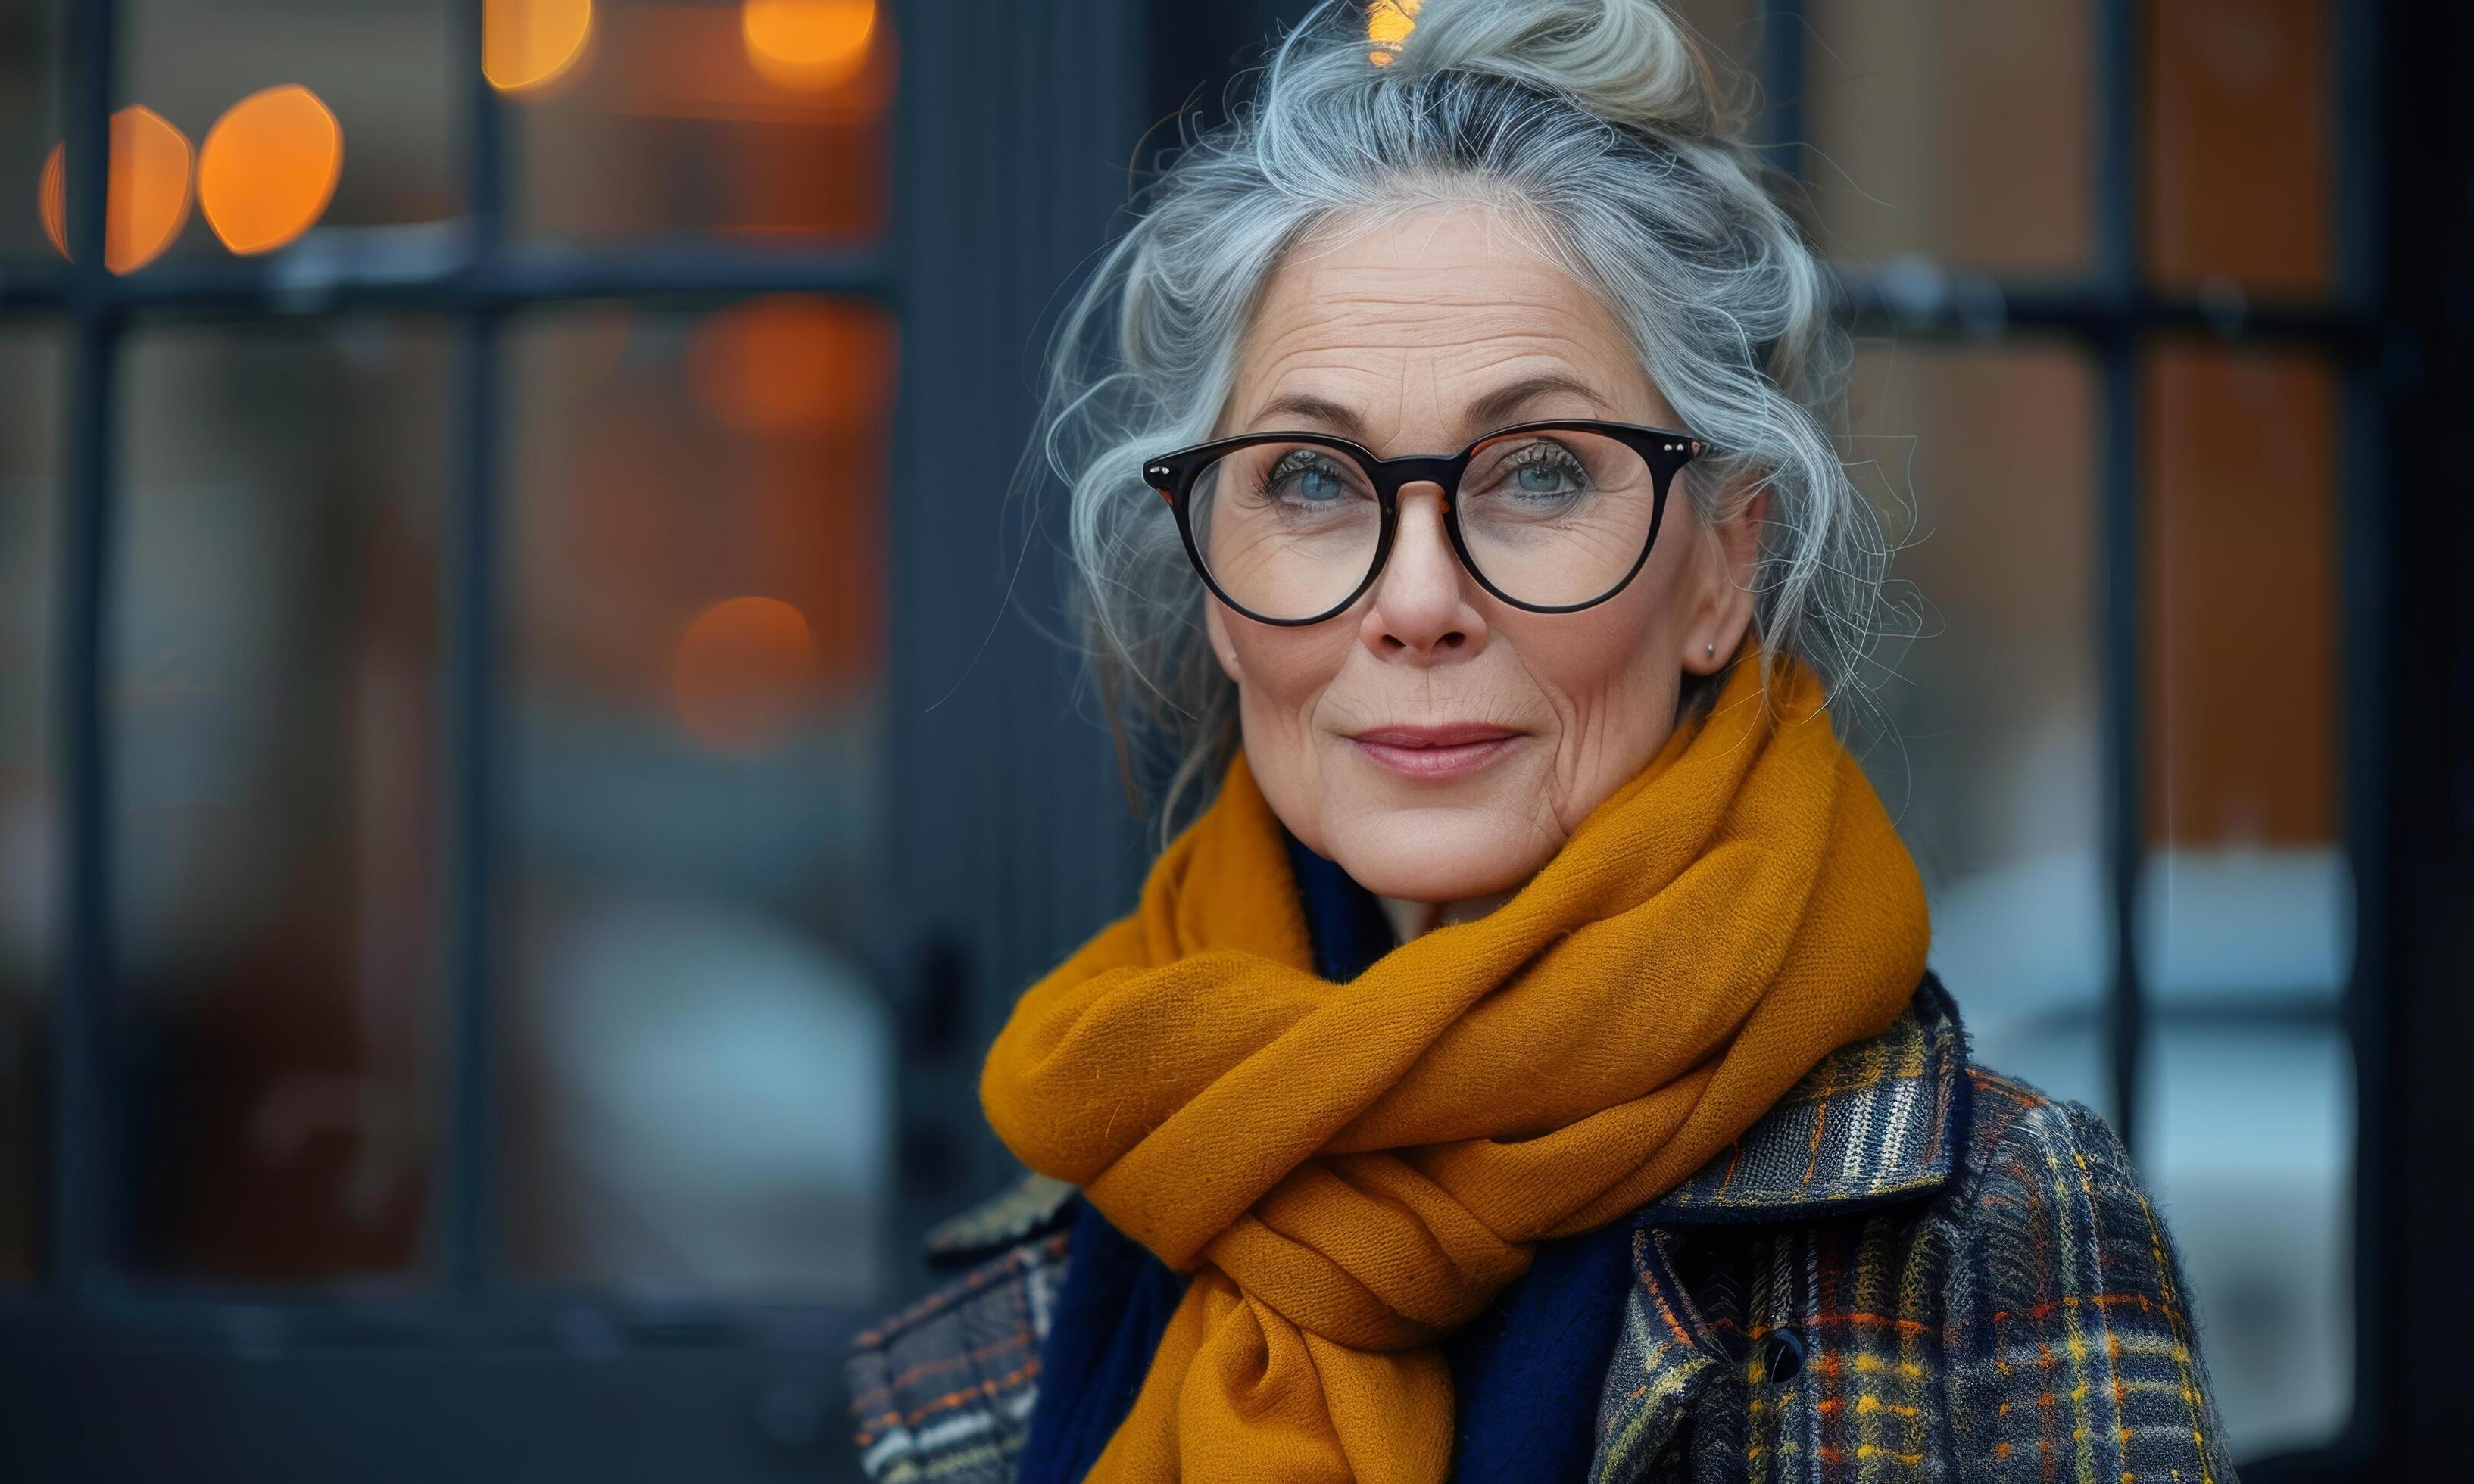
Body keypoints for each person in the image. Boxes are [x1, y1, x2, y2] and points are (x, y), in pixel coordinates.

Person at [845, 2, 2237, 1479]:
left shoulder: (1992, 1242)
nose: (1419, 600)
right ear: (1213, 587)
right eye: (1312, 477)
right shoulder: (1039, 1280)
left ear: (1722, 567)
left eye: (1543, 470)